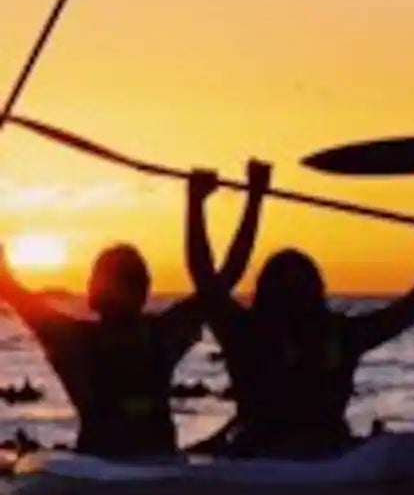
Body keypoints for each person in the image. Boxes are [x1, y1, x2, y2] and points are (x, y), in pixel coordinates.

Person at [187, 170, 414, 458]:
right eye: (284, 284)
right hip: (259, 456)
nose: (293, 295)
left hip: (328, 453)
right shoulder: (244, 332)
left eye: (300, 284)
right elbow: (204, 276)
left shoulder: (340, 335)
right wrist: (207, 202)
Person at [0, 162, 270, 460]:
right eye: (110, 280)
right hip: (102, 470)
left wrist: (250, 197)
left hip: (158, 469)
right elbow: (8, 286)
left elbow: (222, 282)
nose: (114, 290)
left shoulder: (160, 334)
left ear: (141, 291)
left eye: (125, 281)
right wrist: (223, 198)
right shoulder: (72, 338)